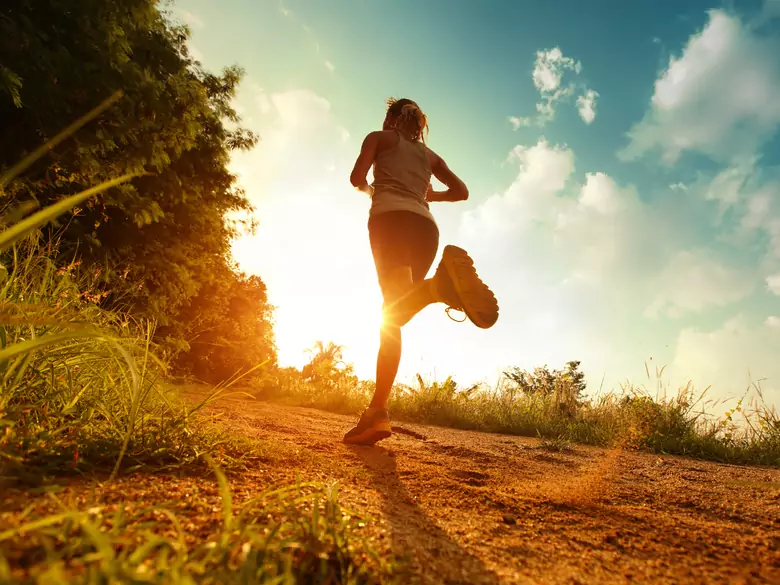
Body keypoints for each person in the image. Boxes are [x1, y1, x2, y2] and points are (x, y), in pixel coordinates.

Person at [343, 97, 499, 446]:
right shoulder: (430, 157)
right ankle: (377, 413)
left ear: (390, 119)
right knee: (395, 314)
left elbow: (356, 178)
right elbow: (461, 192)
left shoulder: (378, 138)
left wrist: (372, 190)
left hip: (390, 221)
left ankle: (436, 289)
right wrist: (430, 196)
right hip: (426, 228)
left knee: (392, 313)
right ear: (418, 123)